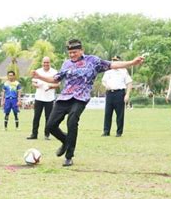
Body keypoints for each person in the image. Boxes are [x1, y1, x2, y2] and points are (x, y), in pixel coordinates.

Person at [32, 39, 144, 167]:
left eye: (74, 52)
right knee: (50, 126)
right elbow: (55, 78)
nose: (72, 55)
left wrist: (132, 63)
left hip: (80, 98)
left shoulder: (93, 61)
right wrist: (39, 76)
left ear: (81, 51)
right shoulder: (66, 64)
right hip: (64, 97)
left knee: (72, 121)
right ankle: (65, 141)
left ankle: (69, 156)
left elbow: (113, 65)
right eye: (70, 53)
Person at [101, 55, 133, 137]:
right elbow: (104, 81)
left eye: (116, 61)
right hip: (109, 93)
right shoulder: (108, 71)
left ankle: (119, 132)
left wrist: (127, 94)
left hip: (119, 93)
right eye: (113, 60)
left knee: (120, 114)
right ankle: (106, 131)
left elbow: (129, 83)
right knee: (108, 113)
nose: (114, 62)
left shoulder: (123, 71)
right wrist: (106, 85)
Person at [27, 57, 58, 140]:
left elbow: (57, 84)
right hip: (39, 98)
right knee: (36, 117)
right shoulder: (38, 71)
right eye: (44, 62)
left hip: (49, 99)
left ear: (50, 63)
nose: (46, 64)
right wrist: (37, 85)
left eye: (47, 62)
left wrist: (50, 87)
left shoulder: (54, 72)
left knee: (48, 117)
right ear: (42, 63)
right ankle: (34, 134)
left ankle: (47, 134)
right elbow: (33, 83)